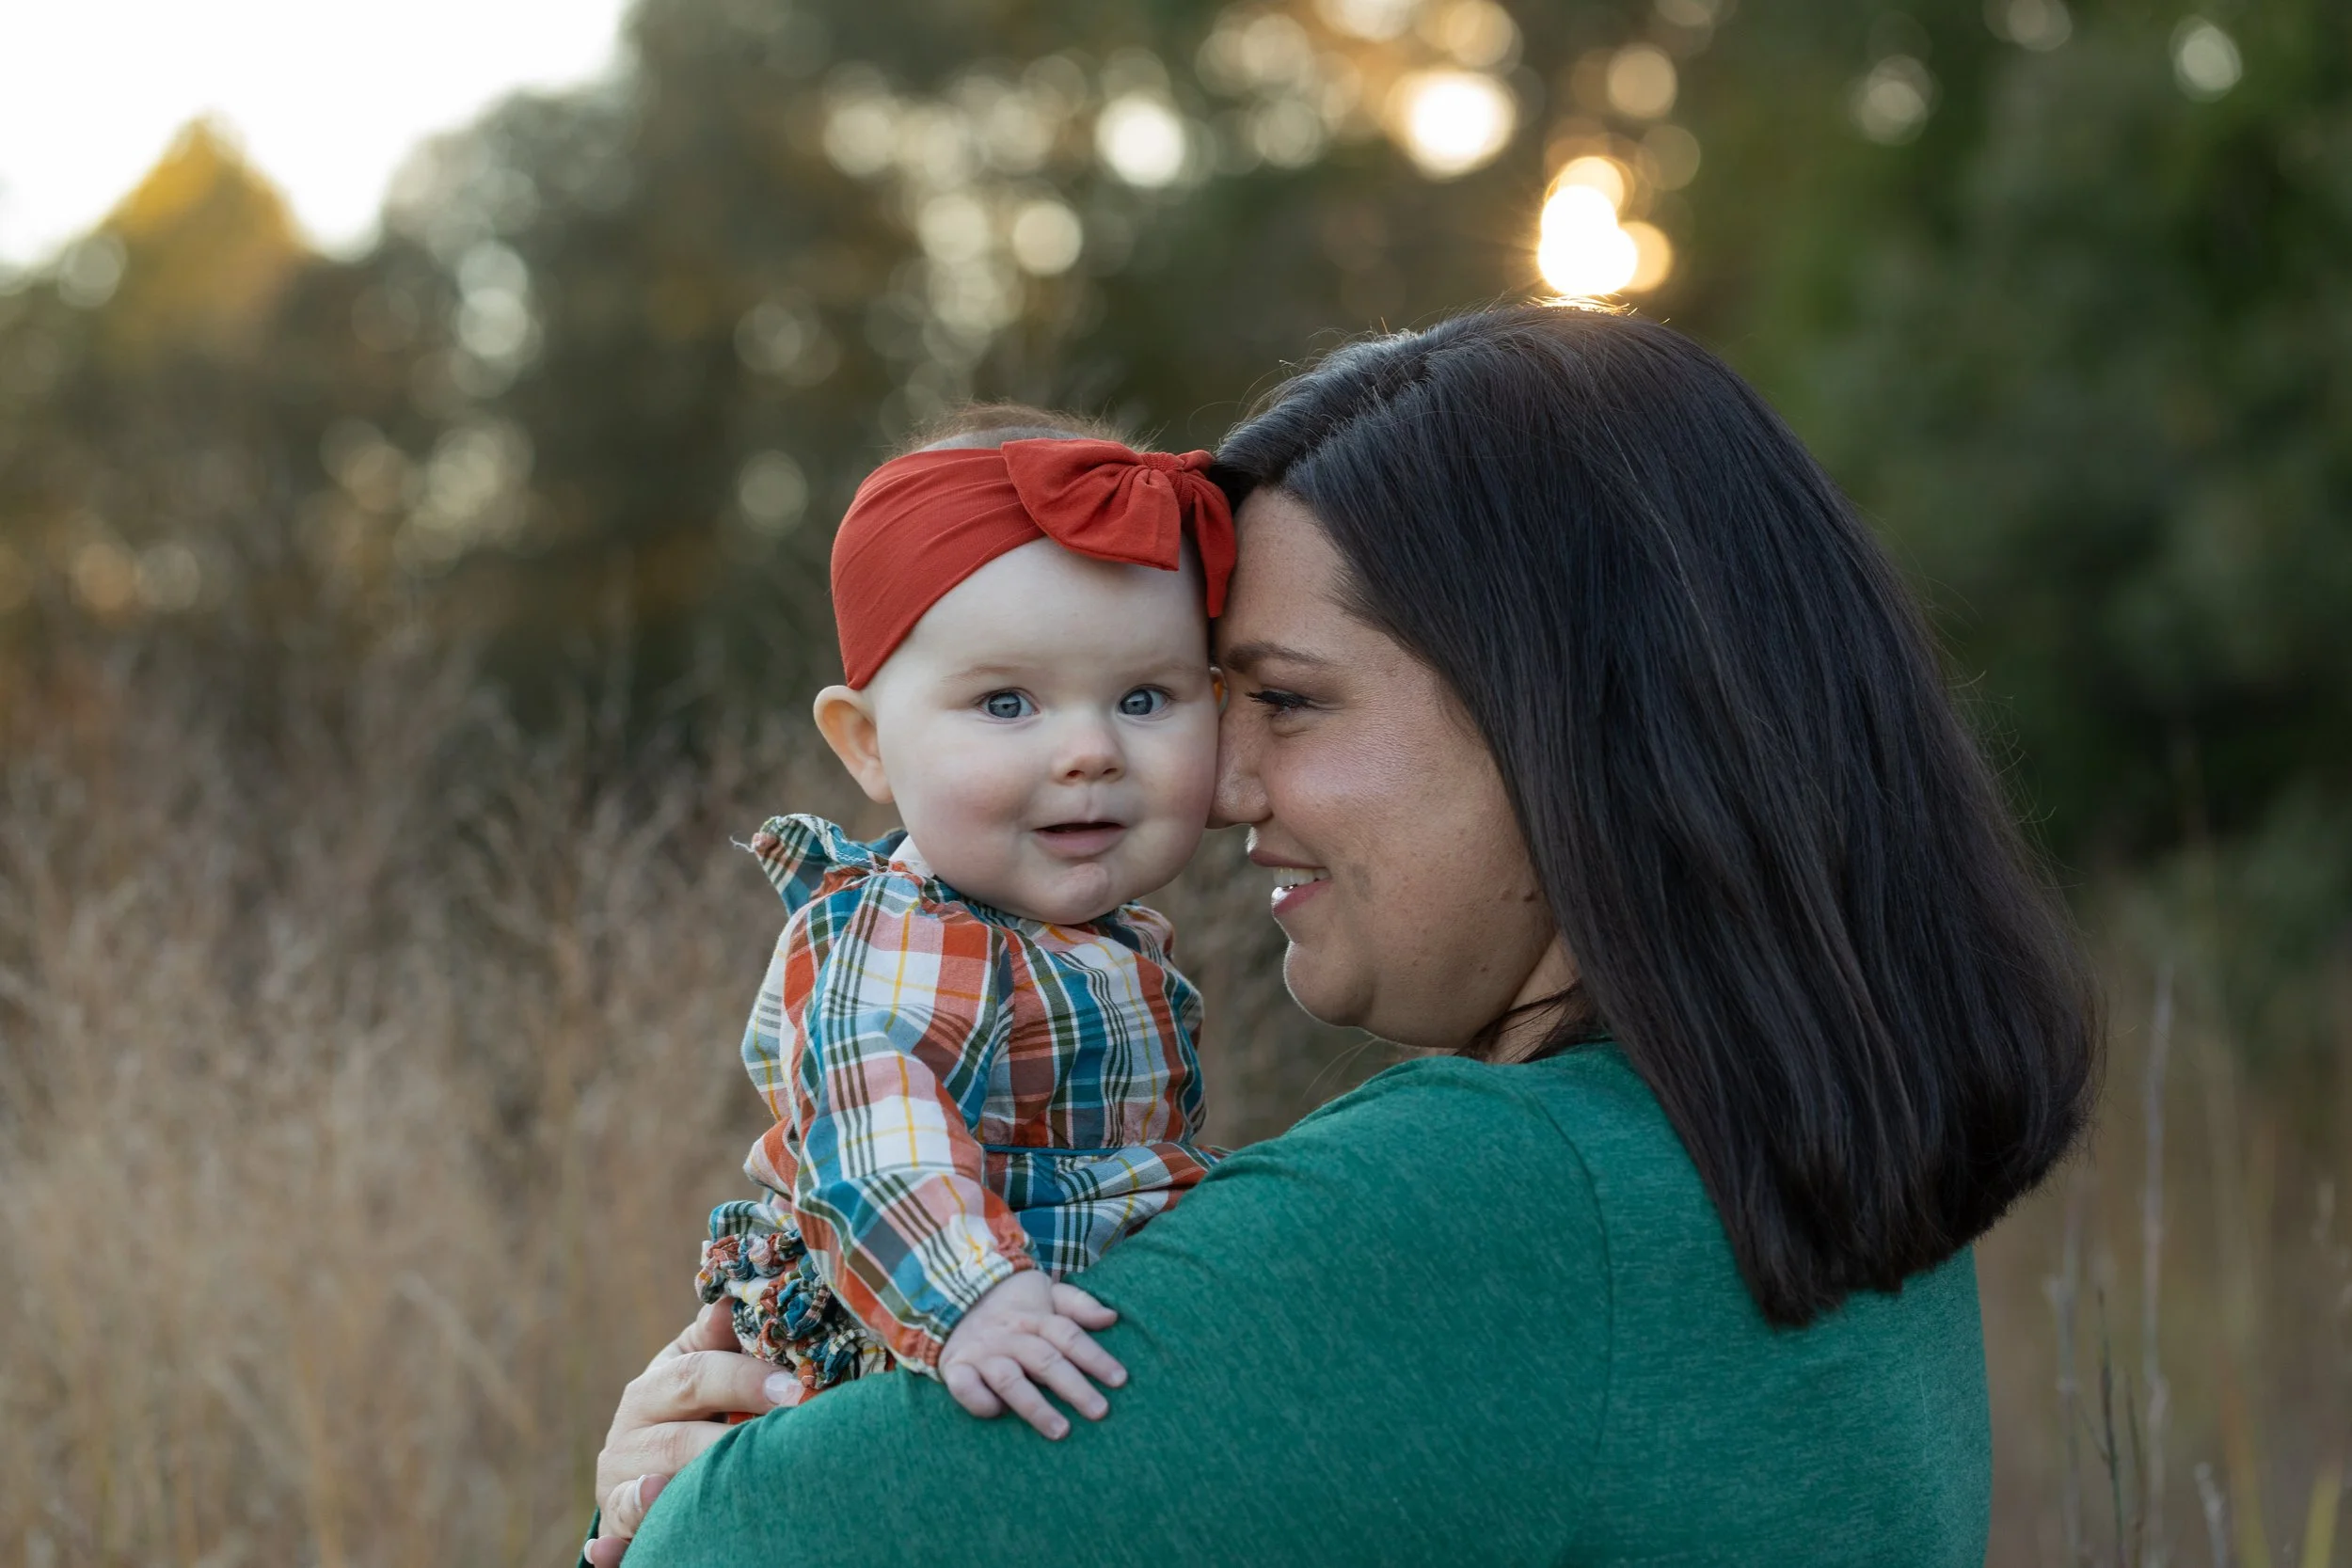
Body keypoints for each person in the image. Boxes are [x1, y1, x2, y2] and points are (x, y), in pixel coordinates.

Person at [585, 304, 2099, 1566]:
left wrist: (679, 1492)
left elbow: (727, 1552)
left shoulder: (1483, 1204)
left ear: (1559, 711)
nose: (1219, 786)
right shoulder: (1803, 1161)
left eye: (1287, 700)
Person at [692, 408, 1232, 1437]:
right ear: (867, 745)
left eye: (1143, 698)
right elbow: (871, 1119)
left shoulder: (1110, 936)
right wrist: (975, 1296)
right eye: (1006, 703)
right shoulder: (911, 931)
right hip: (908, 1343)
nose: (1090, 750)